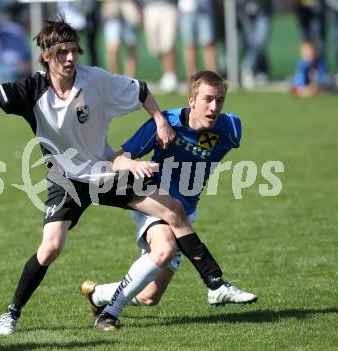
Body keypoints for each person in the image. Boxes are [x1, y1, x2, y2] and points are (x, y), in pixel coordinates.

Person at [0, 17, 222, 336]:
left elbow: (142, 92)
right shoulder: (32, 89)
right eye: (62, 52)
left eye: (74, 50)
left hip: (105, 170)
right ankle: (12, 312)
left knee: (173, 209)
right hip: (66, 181)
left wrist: (161, 121)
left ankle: (215, 282)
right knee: (50, 248)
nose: (70, 58)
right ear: (46, 56)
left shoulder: (95, 80)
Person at [80, 71, 258, 331]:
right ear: (191, 101)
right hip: (153, 199)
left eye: (220, 100)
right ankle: (108, 315)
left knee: (148, 297)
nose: (214, 107)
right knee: (163, 250)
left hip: (186, 212)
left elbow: (211, 140)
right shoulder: (163, 125)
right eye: (207, 99)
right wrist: (133, 164)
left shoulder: (230, 129)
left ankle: (98, 295)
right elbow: (117, 159)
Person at [141, 0, 179, 92]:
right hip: (150, 8)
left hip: (168, 7)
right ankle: (166, 74)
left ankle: (171, 75)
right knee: (157, 47)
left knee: (168, 43)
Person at [237, 0, 273, 89]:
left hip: (263, 11)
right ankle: (249, 71)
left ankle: (249, 69)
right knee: (249, 42)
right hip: (244, 11)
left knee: (259, 41)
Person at [178, 0, 218, 77]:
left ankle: (212, 78)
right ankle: (192, 79)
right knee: (190, 45)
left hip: (205, 9)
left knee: (208, 44)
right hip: (186, 11)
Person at [0, 16, 31, 83]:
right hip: (5, 68)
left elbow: (27, 53)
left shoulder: (18, 32)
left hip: (22, 66)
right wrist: (16, 67)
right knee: (10, 74)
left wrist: (27, 63)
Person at [101, 0, 141, 77]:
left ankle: (130, 79)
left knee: (132, 47)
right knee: (113, 48)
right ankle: (115, 78)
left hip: (130, 12)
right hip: (112, 13)